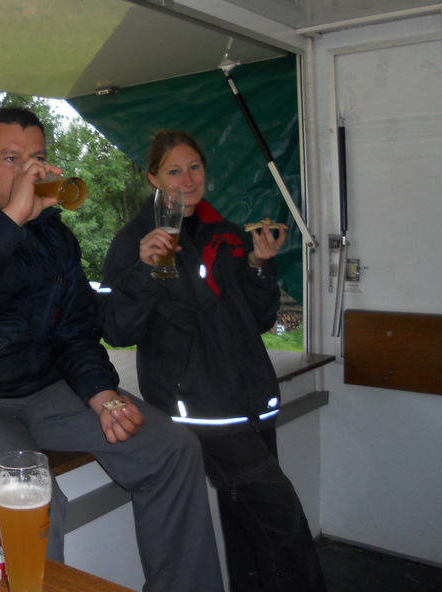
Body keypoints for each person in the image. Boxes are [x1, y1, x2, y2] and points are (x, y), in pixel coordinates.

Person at [0, 107, 224, 592]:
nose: (31, 171)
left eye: (38, 158)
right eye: (12, 159)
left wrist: (100, 393)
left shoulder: (55, 237)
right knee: (32, 495)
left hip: (42, 391)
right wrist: (10, 219)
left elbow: (75, 331)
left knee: (171, 447)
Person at [100, 130, 326, 592]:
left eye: (195, 168)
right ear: (153, 178)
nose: (187, 180)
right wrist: (144, 270)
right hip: (201, 410)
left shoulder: (226, 234)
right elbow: (116, 331)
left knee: (247, 524)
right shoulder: (133, 242)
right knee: (283, 522)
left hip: (251, 402)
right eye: (174, 171)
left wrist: (259, 266)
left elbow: (258, 320)